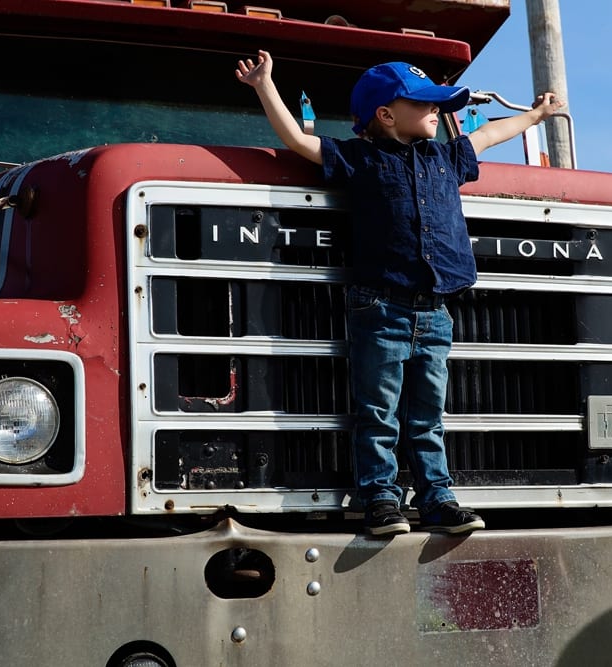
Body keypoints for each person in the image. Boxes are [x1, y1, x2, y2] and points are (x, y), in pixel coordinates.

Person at [236, 50, 566, 536]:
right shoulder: (359, 158)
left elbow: (491, 133)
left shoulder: (446, 156)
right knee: (377, 411)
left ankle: (437, 497)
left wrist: (536, 115)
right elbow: (297, 141)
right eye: (425, 103)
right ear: (386, 115)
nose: (439, 111)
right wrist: (266, 86)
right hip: (379, 306)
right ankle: (380, 499)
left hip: (435, 311)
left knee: (428, 415)